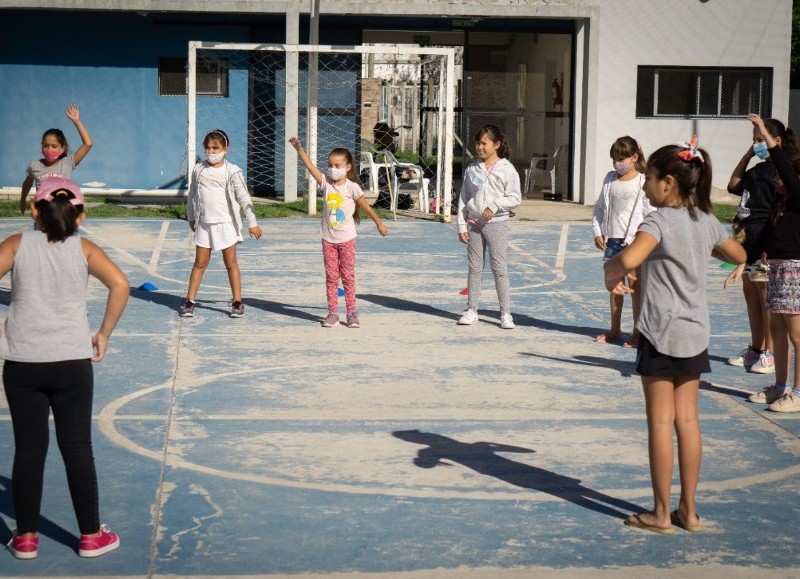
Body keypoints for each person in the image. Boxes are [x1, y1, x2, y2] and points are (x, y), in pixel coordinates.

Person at [604, 137, 746, 534]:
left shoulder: (659, 221)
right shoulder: (706, 221)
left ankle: (661, 513)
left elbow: (629, 259)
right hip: (695, 333)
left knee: (660, 421)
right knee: (689, 421)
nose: (646, 186)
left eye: (649, 178)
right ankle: (690, 511)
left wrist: (611, 271)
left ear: (667, 182)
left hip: (659, 331)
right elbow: (737, 254)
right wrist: (702, 252)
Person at [2, 177, 129, 559]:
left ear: (35, 210)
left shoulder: (16, 244)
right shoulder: (85, 249)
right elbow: (120, 285)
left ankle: (25, 537)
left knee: (28, 449)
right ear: (81, 214)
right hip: (72, 363)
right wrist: (103, 333)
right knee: (76, 447)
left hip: (23, 362)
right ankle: (90, 535)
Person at [288, 137, 388, 328]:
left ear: (348, 167)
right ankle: (333, 313)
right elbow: (310, 166)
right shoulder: (326, 183)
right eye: (330, 165)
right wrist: (298, 148)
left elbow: (366, 208)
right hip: (328, 239)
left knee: (348, 277)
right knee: (331, 278)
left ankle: (352, 313)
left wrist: (379, 224)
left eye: (337, 165)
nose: (333, 168)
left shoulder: (352, 188)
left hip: (347, 240)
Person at [723, 119, 787, 375]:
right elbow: (732, 184)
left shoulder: (780, 173)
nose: (756, 144)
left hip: (764, 240)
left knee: (765, 299)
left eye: (760, 140)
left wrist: (769, 245)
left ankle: (770, 354)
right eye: (754, 140)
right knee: (751, 296)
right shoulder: (757, 170)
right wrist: (749, 154)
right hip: (746, 239)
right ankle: (756, 348)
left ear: (776, 141)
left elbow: (779, 211)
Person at [746, 114, 800, 411]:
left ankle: (798, 393)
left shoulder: (797, 191)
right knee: (777, 329)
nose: (778, 179)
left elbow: (787, 173)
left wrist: (767, 135)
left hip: (795, 267)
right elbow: (772, 226)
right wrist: (758, 254)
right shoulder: (783, 201)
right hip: (778, 266)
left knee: (796, 333)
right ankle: (780, 387)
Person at [179, 129, 262, 318]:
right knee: (200, 262)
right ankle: (190, 301)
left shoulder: (232, 171)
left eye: (215, 148)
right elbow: (192, 195)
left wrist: (253, 223)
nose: (211, 152)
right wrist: (191, 217)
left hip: (226, 224)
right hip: (204, 225)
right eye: (208, 148)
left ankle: (237, 301)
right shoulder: (198, 170)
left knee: (231, 262)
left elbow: (244, 197)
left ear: (226, 149)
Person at [456, 125, 522, 329]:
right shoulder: (472, 168)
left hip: (497, 225)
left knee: (499, 268)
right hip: (474, 224)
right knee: (475, 268)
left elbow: (515, 198)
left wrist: (495, 205)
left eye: (484, 143)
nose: (480, 147)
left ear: (497, 145)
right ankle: (472, 310)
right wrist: (461, 224)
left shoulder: (507, 169)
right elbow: (464, 198)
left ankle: (505, 314)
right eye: (478, 143)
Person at [591, 136, 653, 347]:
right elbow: (599, 207)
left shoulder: (643, 181)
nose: (617, 163)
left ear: (635, 157)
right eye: (614, 159)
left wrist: (640, 237)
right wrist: (598, 231)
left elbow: (648, 211)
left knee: (635, 286)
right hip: (612, 240)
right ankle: (615, 330)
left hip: (634, 241)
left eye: (621, 158)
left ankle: (637, 332)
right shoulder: (610, 179)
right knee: (615, 286)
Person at [20, 104, 93, 215]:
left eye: (54, 146)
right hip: (42, 216)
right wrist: (22, 200)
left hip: (63, 216)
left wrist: (76, 121)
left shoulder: (67, 163)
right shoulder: (34, 166)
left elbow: (88, 144)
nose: (49, 149)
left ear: (62, 148)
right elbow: (27, 183)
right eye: (46, 145)